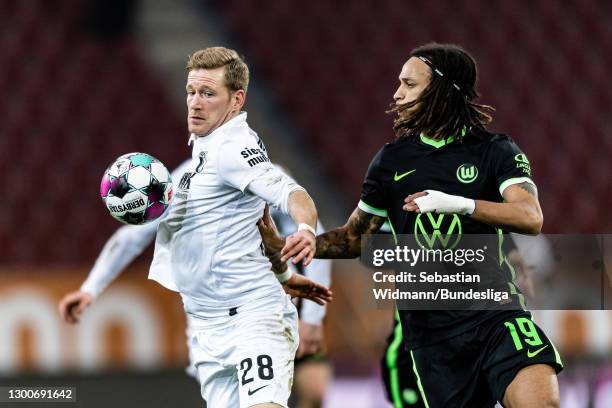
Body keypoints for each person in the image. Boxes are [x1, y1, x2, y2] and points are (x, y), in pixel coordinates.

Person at [262, 43, 563, 408]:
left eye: (409, 84)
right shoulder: (391, 161)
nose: (397, 93)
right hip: (431, 339)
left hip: (495, 316)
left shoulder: (495, 150)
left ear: (441, 90)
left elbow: (530, 216)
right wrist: (295, 244)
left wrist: (458, 204)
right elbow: (355, 237)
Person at [58, 163, 333, 407]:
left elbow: (314, 237)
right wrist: (90, 288)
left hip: (276, 309)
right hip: (220, 321)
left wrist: (313, 318)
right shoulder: (182, 184)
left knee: (315, 390)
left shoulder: (264, 176)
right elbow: (132, 238)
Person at [269, 187, 333, 408]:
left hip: (298, 313)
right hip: (258, 320)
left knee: (315, 392)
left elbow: (319, 243)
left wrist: (312, 318)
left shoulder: (283, 196)